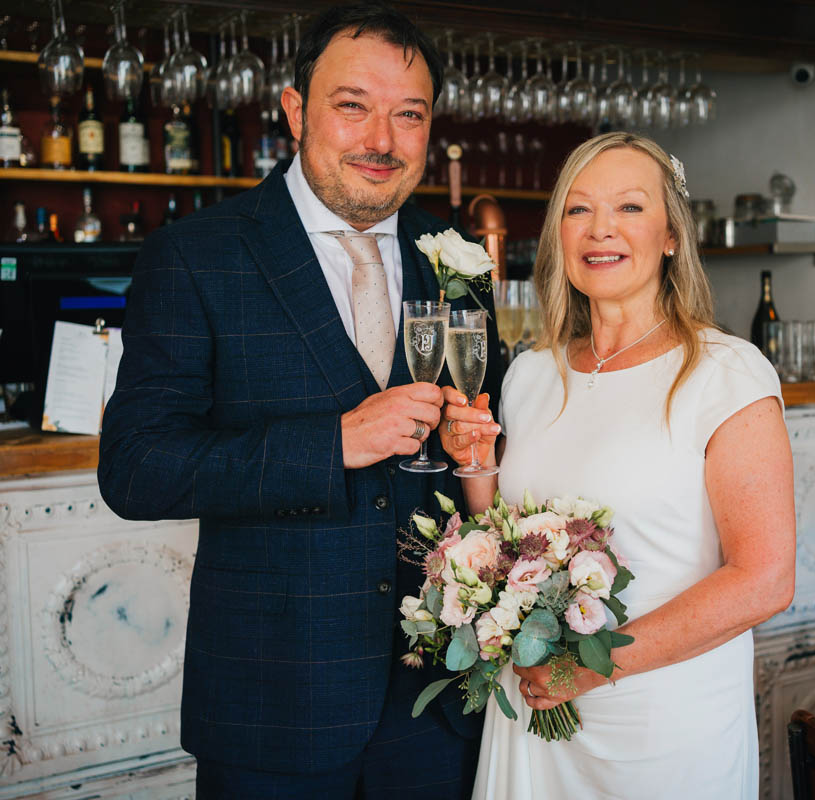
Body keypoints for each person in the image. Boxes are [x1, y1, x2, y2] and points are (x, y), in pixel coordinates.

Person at [98, 4, 502, 797]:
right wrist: (332, 443)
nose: (382, 140)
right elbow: (137, 468)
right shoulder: (196, 256)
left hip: (438, 706)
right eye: (352, 106)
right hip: (272, 709)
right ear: (295, 111)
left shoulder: (456, 262)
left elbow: (488, 445)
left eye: (409, 114)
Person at [439, 132, 796, 798]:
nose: (600, 229)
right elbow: (508, 548)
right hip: (534, 720)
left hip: (661, 731)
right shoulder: (531, 373)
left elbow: (764, 580)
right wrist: (478, 467)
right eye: (578, 209)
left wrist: (586, 670)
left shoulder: (726, 374)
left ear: (671, 235)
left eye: (629, 207)